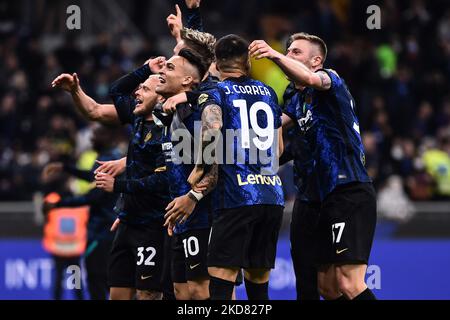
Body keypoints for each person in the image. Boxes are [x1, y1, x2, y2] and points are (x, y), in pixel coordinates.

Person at [250, 33, 377, 300]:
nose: (288, 54)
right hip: (315, 199)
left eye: (296, 52)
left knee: (349, 283)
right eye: (288, 50)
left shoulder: (331, 80)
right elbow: (270, 133)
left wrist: (274, 55)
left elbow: (310, 79)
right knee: (326, 288)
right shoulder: (295, 99)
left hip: (347, 190)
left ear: (316, 60)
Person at [167, 34, 285, 300]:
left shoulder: (216, 92)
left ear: (217, 66)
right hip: (271, 198)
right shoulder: (268, 93)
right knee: (258, 290)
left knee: (220, 284)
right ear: (248, 63)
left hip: (237, 198)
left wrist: (200, 167)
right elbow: (278, 150)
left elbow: (212, 130)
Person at [51, 56, 172, 300]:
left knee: (149, 294)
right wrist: (145, 70)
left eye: (145, 89)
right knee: (117, 293)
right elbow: (110, 95)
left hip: (153, 224)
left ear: (160, 97)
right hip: (127, 221)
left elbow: (161, 181)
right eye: (138, 88)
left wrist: (117, 185)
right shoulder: (138, 115)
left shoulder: (169, 130)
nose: (137, 92)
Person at [43, 124, 123, 300]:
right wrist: (66, 168)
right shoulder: (111, 158)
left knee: (98, 281)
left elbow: (94, 197)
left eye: (98, 134)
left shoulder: (111, 159)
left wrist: (58, 204)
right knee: (108, 282)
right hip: (107, 231)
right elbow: (92, 177)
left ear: (110, 136)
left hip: (103, 233)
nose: (92, 138)